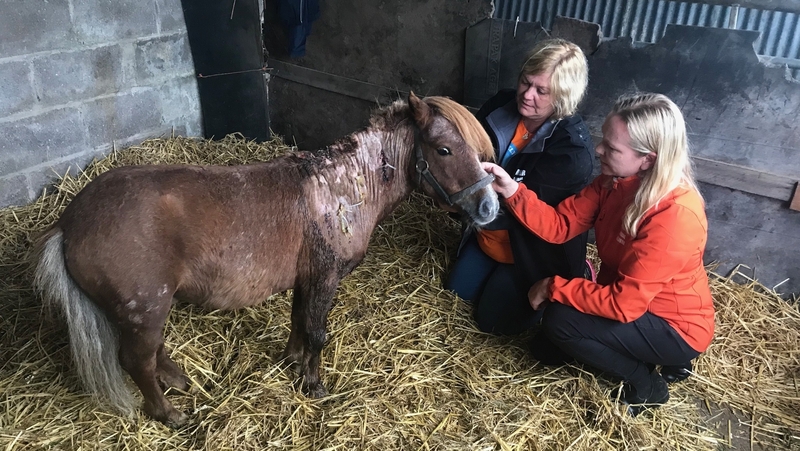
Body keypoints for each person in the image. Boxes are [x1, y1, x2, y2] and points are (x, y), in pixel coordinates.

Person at [482, 92, 715, 415]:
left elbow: (624, 304)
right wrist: (512, 190)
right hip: (631, 303)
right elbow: (560, 225)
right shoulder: (615, 181)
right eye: (603, 140)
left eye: (612, 148)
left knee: (560, 323)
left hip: (672, 325)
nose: (599, 150)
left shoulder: (674, 215)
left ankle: (648, 385)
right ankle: (651, 358)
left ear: (647, 159)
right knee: (546, 350)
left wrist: (554, 287)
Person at [446, 39, 595, 335]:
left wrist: (459, 198)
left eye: (542, 91)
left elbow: (539, 219)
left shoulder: (571, 150)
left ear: (563, 96)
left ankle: (580, 272)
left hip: (529, 249)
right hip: (488, 235)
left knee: (493, 324)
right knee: (456, 293)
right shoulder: (499, 107)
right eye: (525, 83)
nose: (527, 95)